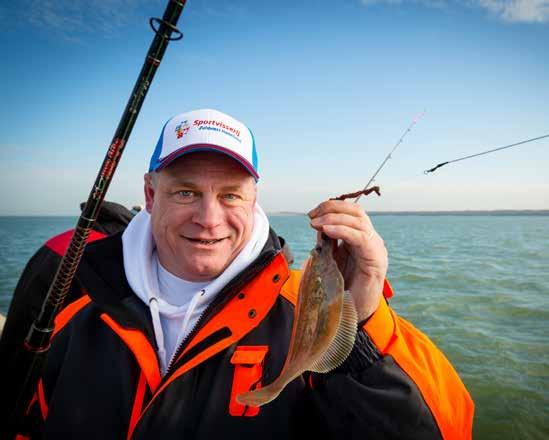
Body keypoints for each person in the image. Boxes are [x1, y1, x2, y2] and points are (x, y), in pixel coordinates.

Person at [14, 108, 473, 439]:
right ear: (150, 195)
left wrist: (368, 321)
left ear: (254, 201)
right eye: (187, 192)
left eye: (231, 195)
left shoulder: (294, 304)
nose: (209, 218)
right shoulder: (72, 290)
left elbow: (443, 430)